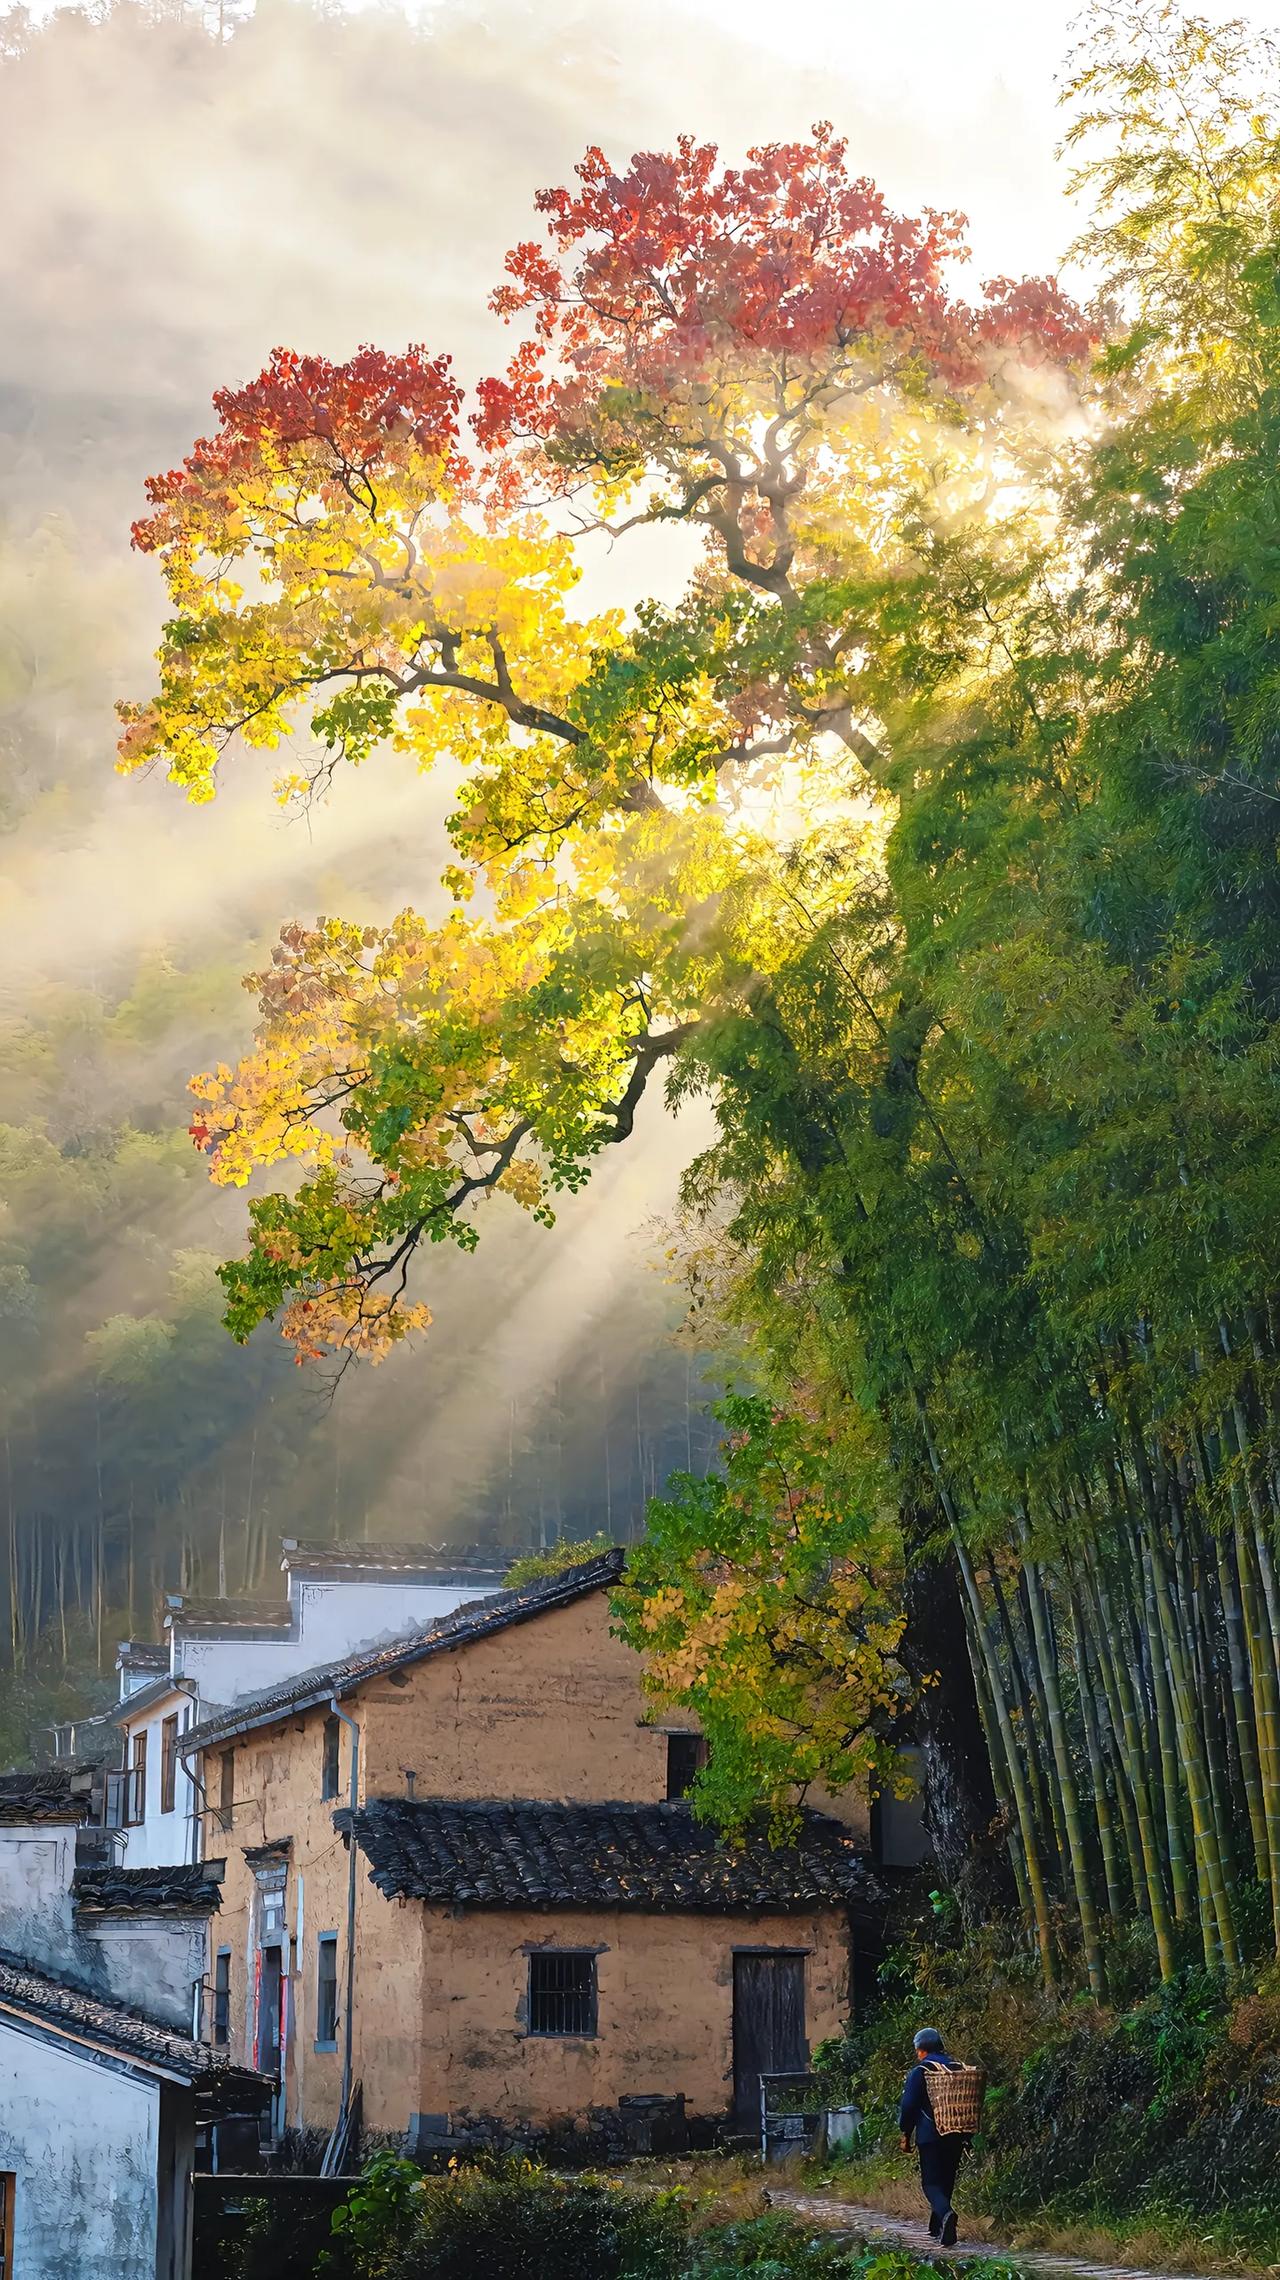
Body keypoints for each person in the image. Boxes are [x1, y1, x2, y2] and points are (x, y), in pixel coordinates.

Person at [898, 2026, 966, 2245]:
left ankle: (946, 2214)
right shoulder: (957, 2067)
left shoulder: (921, 2071)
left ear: (920, 2050)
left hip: (931, 2134)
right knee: (946, 2180)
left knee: (931, 2183)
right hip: (957, 2132)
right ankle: (937, 2227)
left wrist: (905, 2131)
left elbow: (909, 2106)